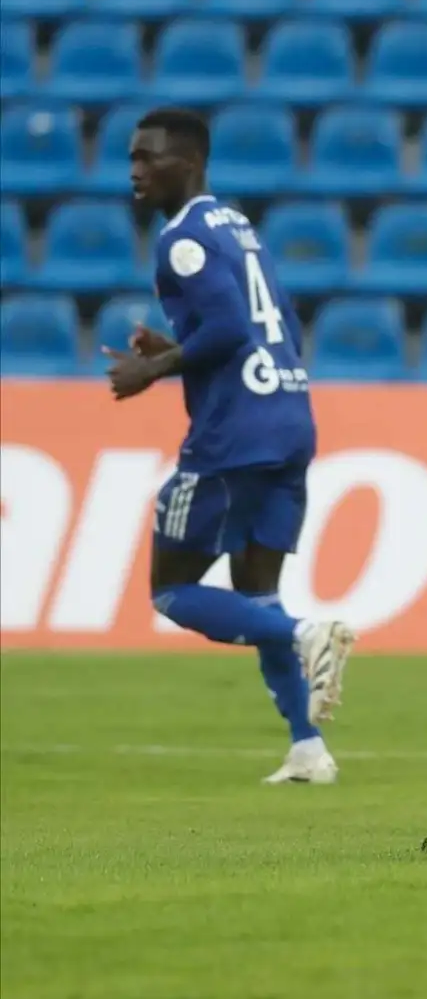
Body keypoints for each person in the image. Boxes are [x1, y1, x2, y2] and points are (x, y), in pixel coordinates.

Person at [103, 107, 356, 785]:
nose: (135, 169)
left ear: (187, 164)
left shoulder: (181, 238)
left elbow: (229, 329)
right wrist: (176, 351)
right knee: (255, 591)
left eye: (147, 157)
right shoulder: (237, 226)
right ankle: (308, 748)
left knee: (172, 589)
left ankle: (306, 633)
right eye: (132, 156)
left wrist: (151, 369)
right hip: (290, 417)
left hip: (233, 434)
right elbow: (276, 320)